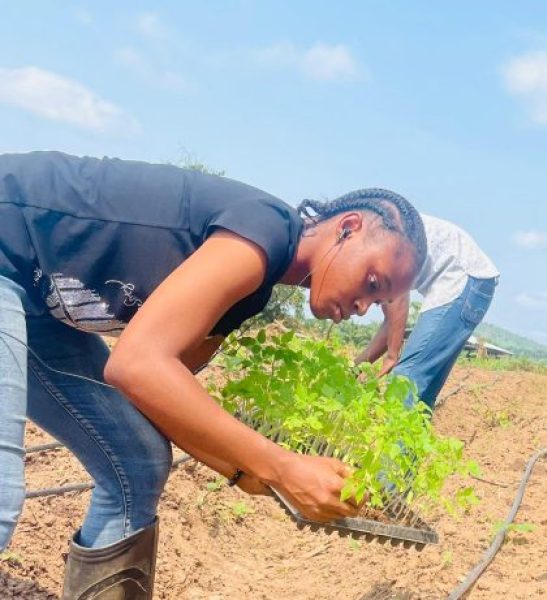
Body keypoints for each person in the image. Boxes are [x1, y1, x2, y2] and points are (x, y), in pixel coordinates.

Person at [0, 151, 426, 598]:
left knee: (136, 460)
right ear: (349, 227)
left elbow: (160, 396)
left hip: (35, 302)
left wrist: (253, 476)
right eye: (373, 283)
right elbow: (136, 364)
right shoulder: (264, 230)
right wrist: (283, 468)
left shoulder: (251, 296)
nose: (362, 306)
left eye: (376, 303)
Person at [356, 213, 498, 408]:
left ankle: (394, 439)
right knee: (422, 395)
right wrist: (355, 367)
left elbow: (398, 302)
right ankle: (412, 439)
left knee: (405, 378)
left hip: (462, 279)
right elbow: (392, 322)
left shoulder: (370, 245)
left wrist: (392, 356)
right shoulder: (371, 240)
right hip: (474, 283)